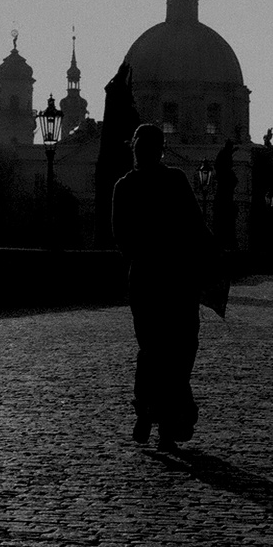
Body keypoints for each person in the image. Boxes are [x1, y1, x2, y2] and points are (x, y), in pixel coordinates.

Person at [112, 123, 212, 449]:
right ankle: (168, 422)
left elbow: (121, 239)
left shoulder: (123, 187)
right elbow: (197, 227)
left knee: (151, 349)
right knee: (179, 350)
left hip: (144, 280)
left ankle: (145, 410)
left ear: (135, 151)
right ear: (162, 151)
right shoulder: (175, 180)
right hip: (177, 279)